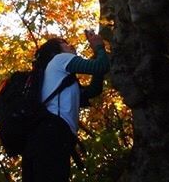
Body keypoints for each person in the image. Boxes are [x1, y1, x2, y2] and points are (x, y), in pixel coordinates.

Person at [22, 29, 110, 182]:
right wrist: (98, 47)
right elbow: (101, 66)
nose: (71, 46)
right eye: (65, 44)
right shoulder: (60, 60)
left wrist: (96, 55)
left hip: (45, 138)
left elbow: (93, 90)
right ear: (56, 50)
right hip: (52, 135)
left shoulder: (60, 79)